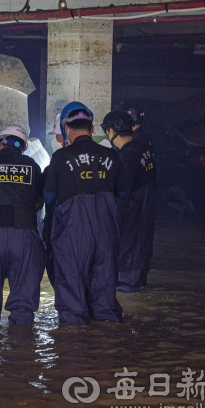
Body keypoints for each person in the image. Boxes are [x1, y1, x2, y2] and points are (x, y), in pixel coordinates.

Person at [43, 102, 129, 325]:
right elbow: (125, 193)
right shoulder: (112, 156)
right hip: (106, 233)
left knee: (71, 296)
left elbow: (49, 197)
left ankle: (75, 352)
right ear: (92, 130)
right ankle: (106, 349)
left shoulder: (61, 158)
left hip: (73, 235)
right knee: (105, 297)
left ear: (67, 130)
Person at [0, 125, 46, 325]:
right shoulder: (32, 166)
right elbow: (39, 202)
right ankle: (21, 352)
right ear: (22, 147)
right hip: (24, 238)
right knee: (23, 306)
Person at [101, 111, 157, 292]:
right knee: (140, 248)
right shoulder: (145, 149)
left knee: (127, 254)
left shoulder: (127, 158)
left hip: (133, 214)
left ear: (111, 131)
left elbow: (122, 194)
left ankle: (127, 289)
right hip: (146, 212)